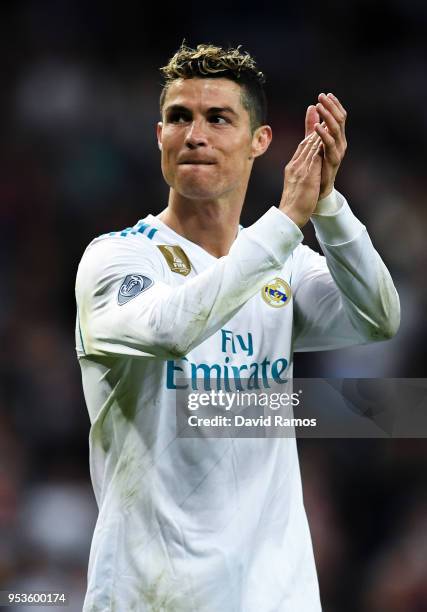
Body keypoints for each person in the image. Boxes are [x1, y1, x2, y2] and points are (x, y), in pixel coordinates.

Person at [75, 43, 400, 611]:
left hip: (276, 596)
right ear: (159, 137)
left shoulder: (285, 266)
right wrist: (284, 222)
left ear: (261, 142)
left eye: (218, 118)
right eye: (179, 117)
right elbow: (172, 329)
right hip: (151, 595)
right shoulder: (118, 260)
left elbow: (378, 318)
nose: (194, 134)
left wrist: (326, 204)